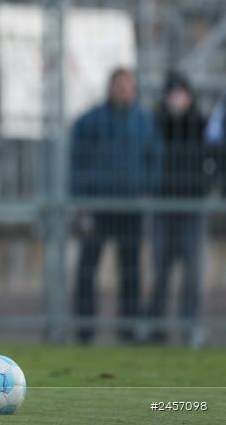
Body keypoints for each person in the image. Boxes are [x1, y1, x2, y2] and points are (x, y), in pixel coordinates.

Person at [71, 67, 161, 344]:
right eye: (118, 85)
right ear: (110, 88)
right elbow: (77, 159)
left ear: (133, 89)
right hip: (98, 204)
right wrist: (82, 195)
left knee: (132, 270)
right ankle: (84, 329)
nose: (123, 90)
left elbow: (155, 160)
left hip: (130, 207)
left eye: (127, 85)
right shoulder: (91, 121)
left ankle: (129, 327)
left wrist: (147, 188)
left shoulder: (144, 122)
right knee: (87, 268)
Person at [148, 72, 207, 347]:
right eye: (172, 92)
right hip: (163, 206)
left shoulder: (202, 125)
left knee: (193, 272)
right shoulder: (156, 123)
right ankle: (156, 324)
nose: (176, 98)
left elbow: (214, 158)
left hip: (192, 207)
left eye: (180, 92)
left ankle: (191, 325)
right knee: (160, 269)